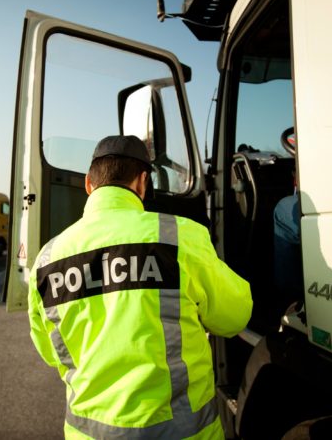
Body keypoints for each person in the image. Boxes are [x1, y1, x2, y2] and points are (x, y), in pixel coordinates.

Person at [27, 135, 253, 439]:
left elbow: (51, 352)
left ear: (88, 184)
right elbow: (234, 317)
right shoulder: (180, 237)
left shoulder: (47, 258)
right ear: (143, 182)